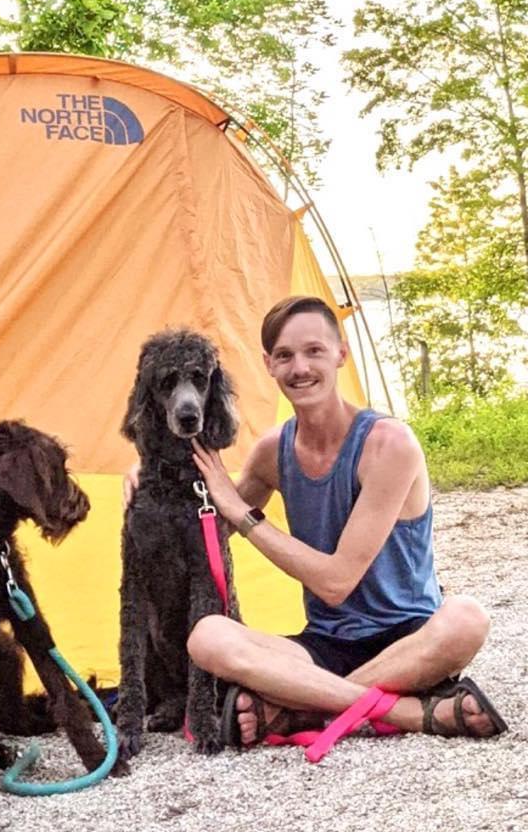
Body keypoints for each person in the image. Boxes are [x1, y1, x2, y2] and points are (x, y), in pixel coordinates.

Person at [130, 296, 507, 749]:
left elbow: (336, 582)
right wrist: (150, 474)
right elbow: (207, 524)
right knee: (208, 637)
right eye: (285, 356)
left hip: (409, 638)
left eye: (314, 351)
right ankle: (408, 711)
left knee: (467, 619)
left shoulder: (389, 444)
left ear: (340, 354)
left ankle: (298, 708)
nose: (300, 367)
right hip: (323, 646)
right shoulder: (272, 451)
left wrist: (246, 516)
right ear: (268, 364)